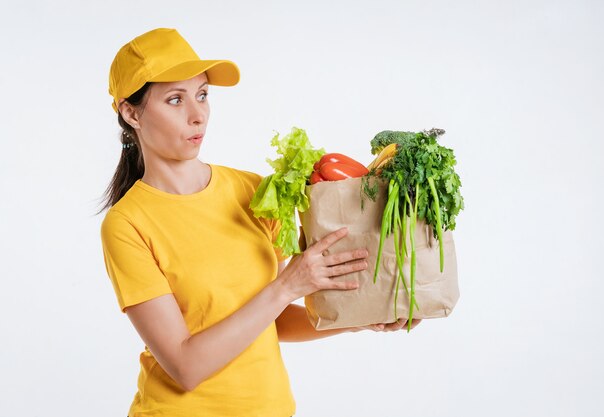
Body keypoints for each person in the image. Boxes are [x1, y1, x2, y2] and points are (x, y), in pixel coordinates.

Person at [100, 27, 416, 417]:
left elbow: (274, 321)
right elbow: (185, 367)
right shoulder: (127, 224)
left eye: (202, 95)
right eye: (175, 100)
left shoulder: (251, 191)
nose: (197, 115)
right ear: (131, 113)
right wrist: (288, 285)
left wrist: (360, 320)